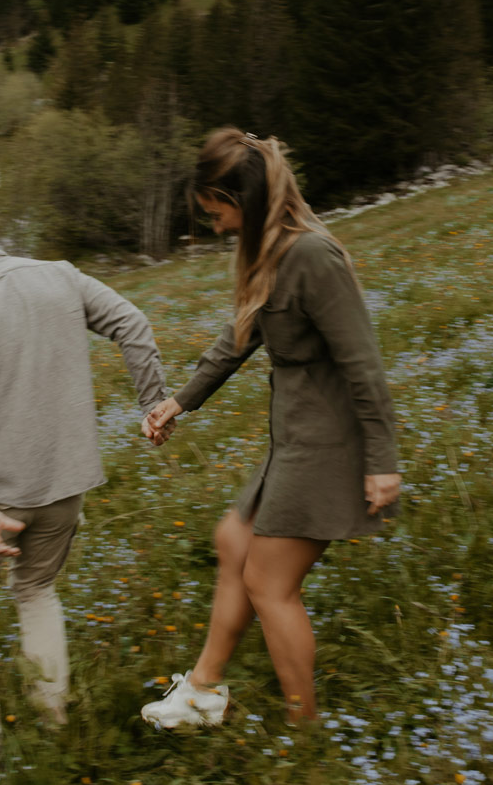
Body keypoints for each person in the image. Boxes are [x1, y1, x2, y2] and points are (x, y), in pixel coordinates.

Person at [140, 129, 400, 729]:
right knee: (234, 542)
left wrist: (382, 459)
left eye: (219, 212)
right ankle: (204, 692)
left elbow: (363, 364)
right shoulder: (267, 255)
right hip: (296, 438)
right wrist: (178, 402)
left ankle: (302, 730)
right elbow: (238, 338)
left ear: (245, 200)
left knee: (267, 582)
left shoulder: (313, 257)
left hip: (329, 442)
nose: (217, 227)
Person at [0, 208, 169, 723]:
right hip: (63, 487)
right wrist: (155, 404)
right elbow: (132, 323)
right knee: (36, 592)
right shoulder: (60, 275)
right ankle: (51, 723)